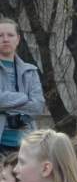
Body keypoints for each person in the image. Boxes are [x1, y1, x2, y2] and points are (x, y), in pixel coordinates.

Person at [0, 17, 44, 151]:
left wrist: (5, 106)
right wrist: (24, 98)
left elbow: (38, 106)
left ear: (18, 39)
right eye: (0, 35)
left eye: (10, 35)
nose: (5, 39)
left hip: (26, 145)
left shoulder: (30, 71)